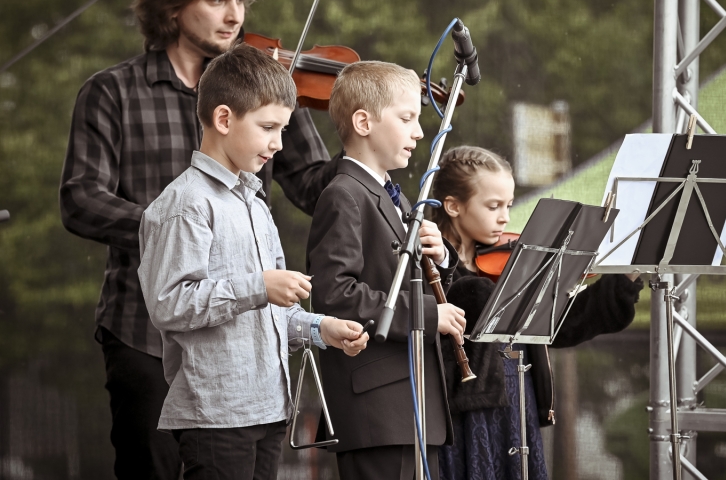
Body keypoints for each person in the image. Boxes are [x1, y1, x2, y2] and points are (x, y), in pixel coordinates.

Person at [58, 0, 340, 480]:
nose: (234, 14)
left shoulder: (266, 89)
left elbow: (309, 183)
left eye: (240, 0)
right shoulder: (112, 92)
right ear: (171, 5)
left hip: (242, 350)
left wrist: (366, 161)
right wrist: (177, 231)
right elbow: (80, 198)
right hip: (141, 328)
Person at [137, 44, 368, 480]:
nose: (279, 144)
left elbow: (271, 315)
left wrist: (320, 329)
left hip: (267, 409)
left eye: (283, 129)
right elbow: (168, 304)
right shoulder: (186, 204)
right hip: (217, 416)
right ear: (224, 119)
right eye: (268, 128)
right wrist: (258, 286)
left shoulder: (256, 203)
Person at [430, 146, 644, 480]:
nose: (505, 217)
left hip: (518, 409)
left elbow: (563, 324)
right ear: (453, 206)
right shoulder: (431, 268)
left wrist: (625, 279)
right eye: (493, 206)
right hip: (466, 421)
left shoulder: (512, 260)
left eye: (509, 205)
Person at [306, 61, 467, 480]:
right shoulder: (343, 194)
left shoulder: (391, 196)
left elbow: (401, 282)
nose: (418, 132)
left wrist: (441, 257)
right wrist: (431, 316)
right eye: (407, 118)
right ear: (363, 122)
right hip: (378, 409)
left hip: (405, 405)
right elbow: (335, 294)